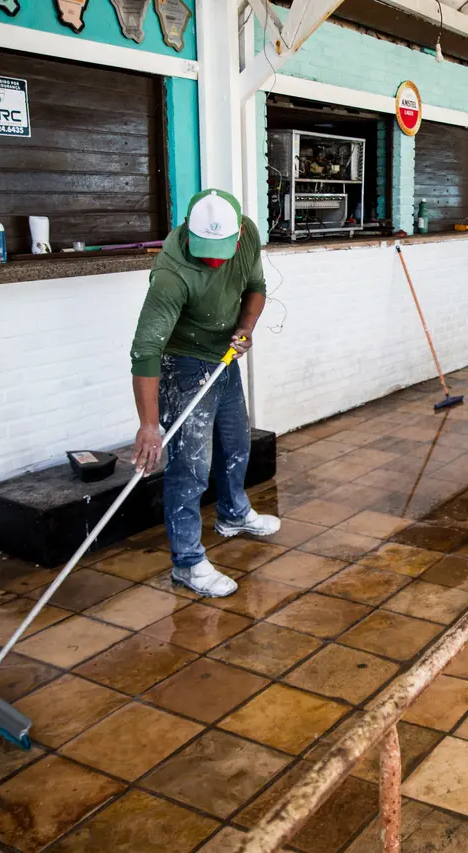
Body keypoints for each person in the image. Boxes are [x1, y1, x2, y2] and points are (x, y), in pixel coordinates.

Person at [128, 188, 279, 597]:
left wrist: (245, 327)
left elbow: (256, 285)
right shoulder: (171, 272)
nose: (213, 260)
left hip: (224, 353)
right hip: (183, 361)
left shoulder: (247, 236)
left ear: (238, 232)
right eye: (205, 250)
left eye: (220, 250)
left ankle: (233, 513)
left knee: (236, 442)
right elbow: (145, 351)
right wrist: (148, 424)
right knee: (190, 466)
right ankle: (188, 563)